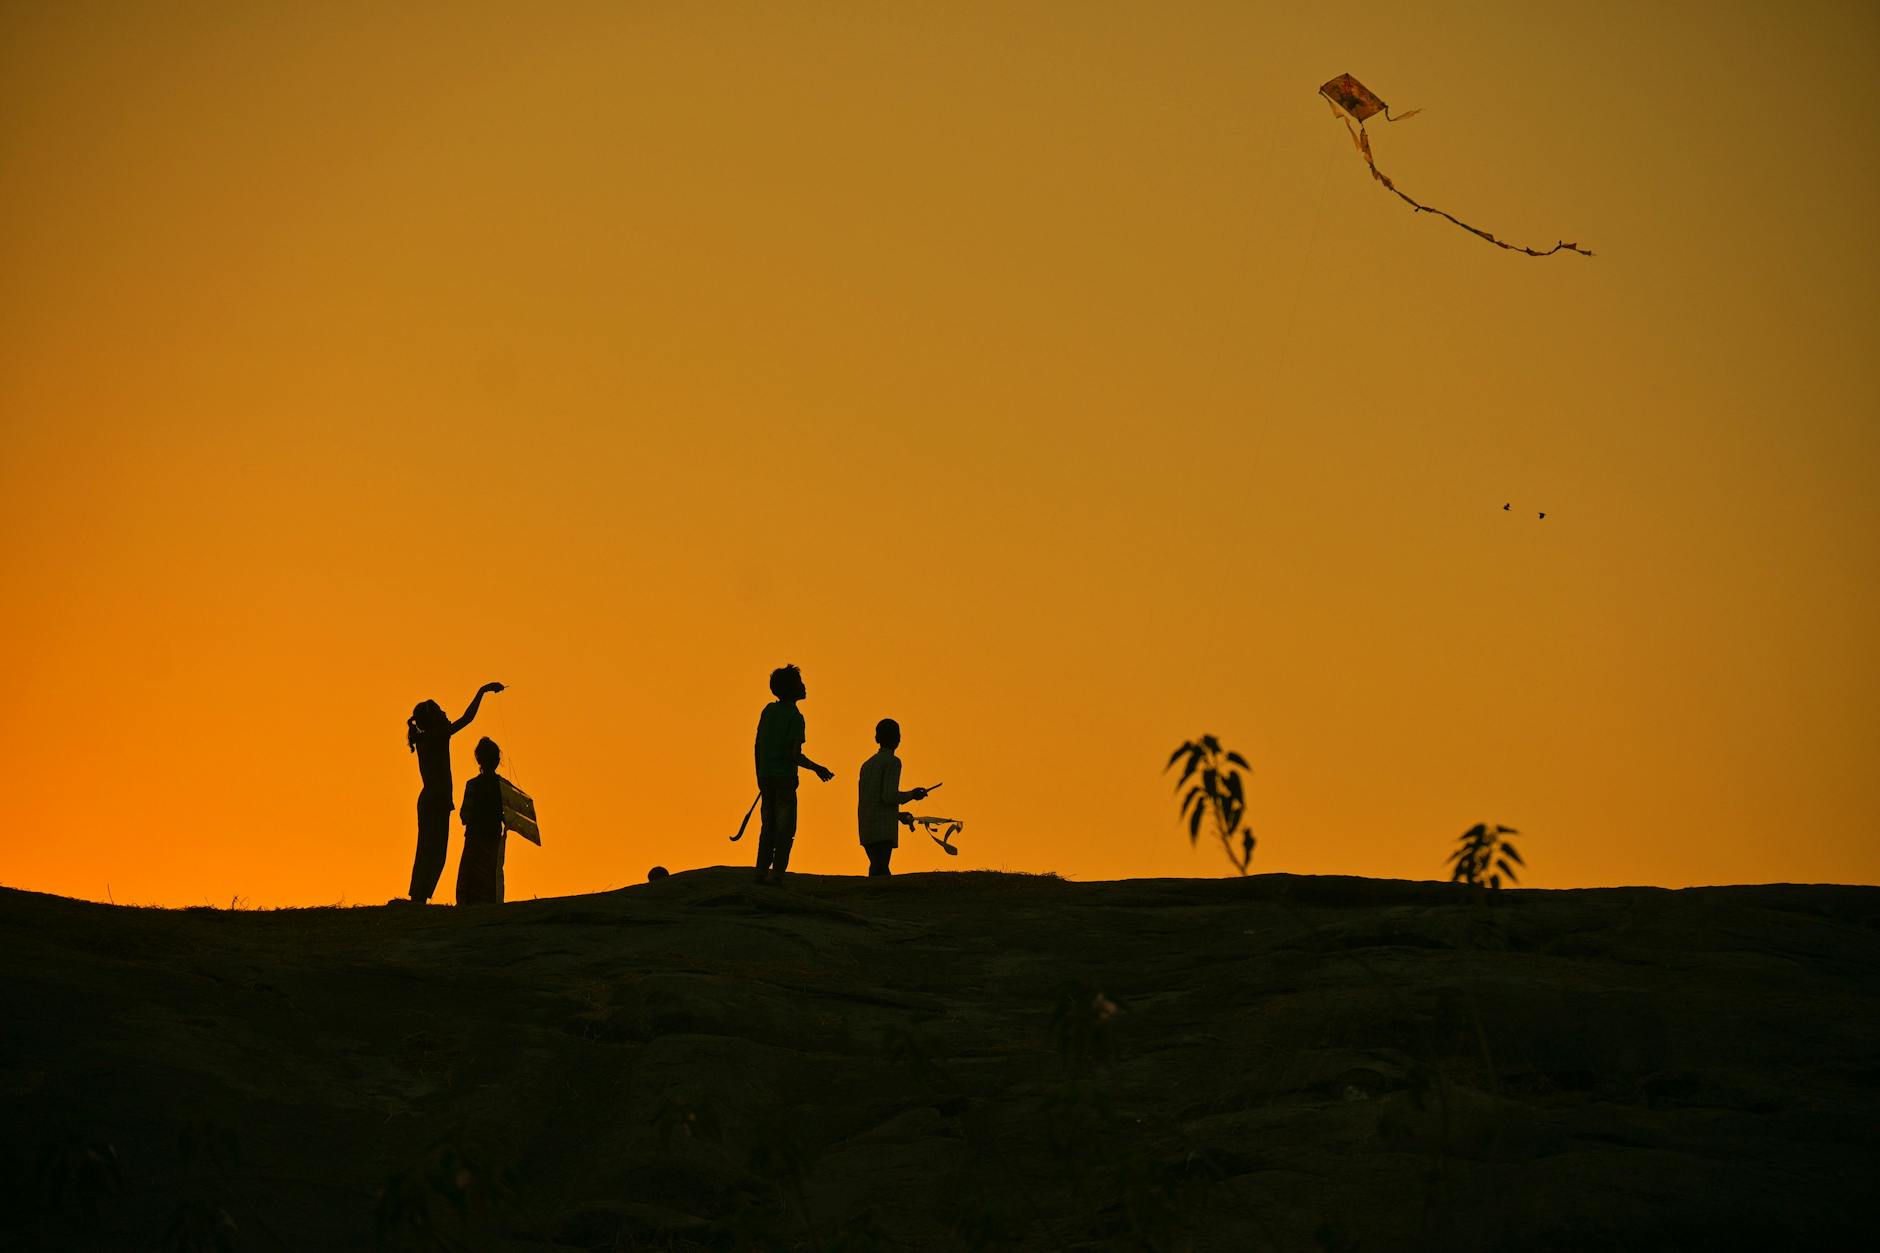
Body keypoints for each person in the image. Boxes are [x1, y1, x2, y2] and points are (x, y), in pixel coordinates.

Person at [402, 681, 503, 904]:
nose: (445, 712)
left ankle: (418, 896)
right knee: (433, 852)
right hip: (435, 803)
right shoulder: (436, 736)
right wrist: (482, 691)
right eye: (440, 711)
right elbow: (467, 719)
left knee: (431, 851)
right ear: (433, 720)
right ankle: (418, 897)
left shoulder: (427, 738)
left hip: (433, 802)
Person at [752, 664, 834, 885]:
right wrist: (818, 768)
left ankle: (760, 871)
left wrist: (760, 774)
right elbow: (793, 754)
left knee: (767, 826)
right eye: (800, 683)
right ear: (792, 689)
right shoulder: (796, 718)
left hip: (767, 777)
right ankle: (778, 873)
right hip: (785, 779)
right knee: (785, 829)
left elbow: (757, 746)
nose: (804, 686)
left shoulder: (768, 711)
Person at [856, 719, 929, 877]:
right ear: (898, 739)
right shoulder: (893, 762)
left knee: (877, 866)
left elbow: (872, 800)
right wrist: (913, 795)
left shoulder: (867, 765)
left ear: (877, 738)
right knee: (880, 869)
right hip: (882, 830)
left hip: (866, 825)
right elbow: (889, 797)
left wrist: (897, 815)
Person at [456, 736, 510, 904]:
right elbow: (509, 815)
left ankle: (467, 904)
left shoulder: (472, 785)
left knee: (471, 874)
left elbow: (464, 815)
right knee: (491, 872)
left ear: (478, 759)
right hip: (492, 836)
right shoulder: (503, 786)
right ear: (497, 760)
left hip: (474, 837)